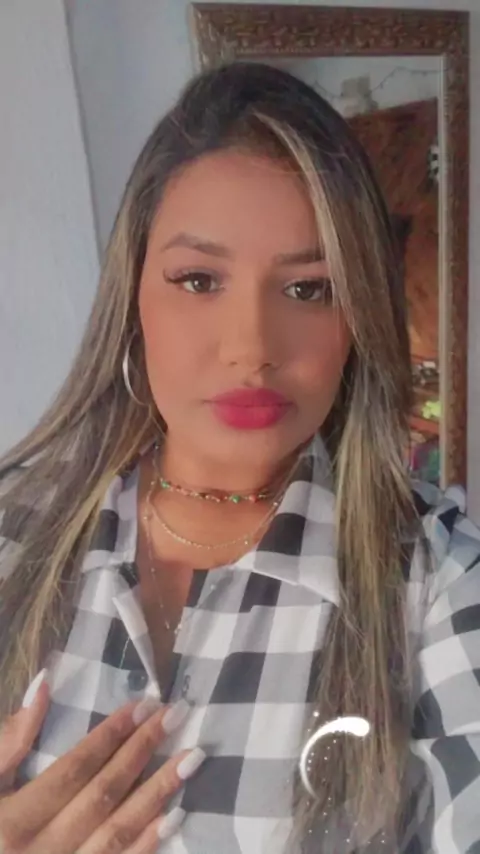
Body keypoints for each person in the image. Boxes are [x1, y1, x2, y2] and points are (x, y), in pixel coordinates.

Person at [0, 61, 479, 854]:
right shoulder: (14, 533)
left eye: (309, 289)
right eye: (199, 280)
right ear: (132, 299)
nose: (252, 348)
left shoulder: (437, 581)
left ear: (359, 315)